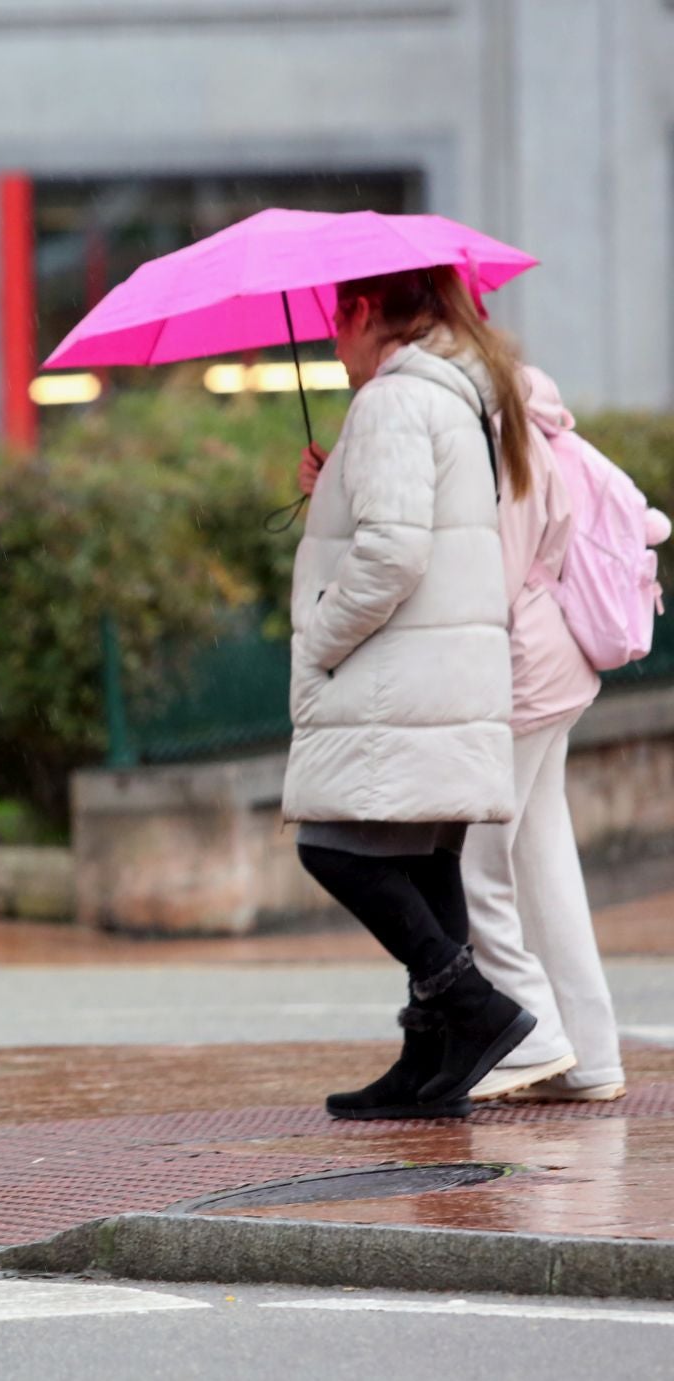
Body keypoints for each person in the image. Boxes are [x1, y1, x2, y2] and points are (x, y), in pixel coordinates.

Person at [288, 265, 534, 1120]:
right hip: (447, 676)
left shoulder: (394, 400)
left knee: (332, 845)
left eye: (334, 317)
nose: (330, 337)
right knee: (428, 865)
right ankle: (433, 1061)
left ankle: (471, 1006)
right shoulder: (458, 393)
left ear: (361, 310)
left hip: (398, 676)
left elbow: (392, 553)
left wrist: (318, 639)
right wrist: (336, 491)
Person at [464, 366, 649, 1104]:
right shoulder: (529, 408)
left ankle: (527, 1034)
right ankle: (592, 1056)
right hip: (555, 661)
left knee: (472, 863)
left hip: (524, 670)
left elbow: (499, 568)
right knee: (542, 864)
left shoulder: (497, 421)